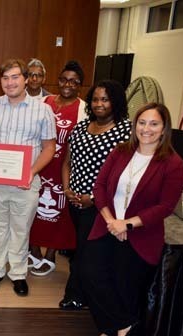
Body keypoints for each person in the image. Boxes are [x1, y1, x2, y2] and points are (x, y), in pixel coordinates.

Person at [80, 102, 183, 335]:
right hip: (107, 225)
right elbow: (99, 187)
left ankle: (111, 329)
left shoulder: (173, 163)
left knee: (123, 284)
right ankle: (124, 325)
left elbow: (165, 206)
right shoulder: (120, 151)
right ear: (134, 124)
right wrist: (112, 221)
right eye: (142, 122)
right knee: (89, 272)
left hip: (141, 234)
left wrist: (127, 223)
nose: (146, 128)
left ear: (164, 127)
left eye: (154, 123)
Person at [0, 59, 56, 296]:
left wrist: (31, 172)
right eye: (5, 78)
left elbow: (49, 147)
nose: (10, 82)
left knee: (21, 229)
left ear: (25, 79)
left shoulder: (43, 109)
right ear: (0, 82)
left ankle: (19, 273)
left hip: (26, 182)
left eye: (15, 77)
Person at [59, 79, 132, 310]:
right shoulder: (81, 127)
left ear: (116, 102)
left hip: (103, 204)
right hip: (75, 201)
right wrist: (67, 188)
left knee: (87, 252)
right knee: (83, 249)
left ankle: (76, 295)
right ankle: (88, 293)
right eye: (95, 99)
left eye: (105, 99)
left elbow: (125, 173)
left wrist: (93, 197)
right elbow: (67, 162)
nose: (99, 104)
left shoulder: (126, 130)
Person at [28, 60, 86, 276]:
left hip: (64, 167)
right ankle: (33, 250)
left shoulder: (83, 109)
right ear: (58, 80)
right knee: (33, 208)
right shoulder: (44, 101)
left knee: (59, 212)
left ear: (80, 85)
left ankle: (50, 254)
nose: (67, 84)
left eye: (74, 81)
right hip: (40, 164)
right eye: (64, 79)